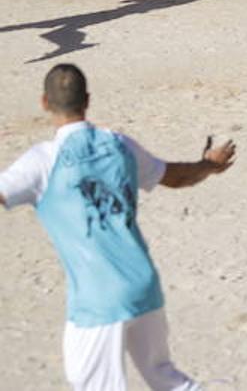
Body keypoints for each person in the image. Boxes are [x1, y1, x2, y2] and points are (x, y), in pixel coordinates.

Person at [0, 64, 235, 391]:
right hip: (144, 284)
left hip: (97, 298)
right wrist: (209, 164)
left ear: (44, 102)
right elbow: (177, 177)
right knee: (165, 378)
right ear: (88, 100)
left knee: (90, 383)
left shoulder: (42, 161)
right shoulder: (119, 145)